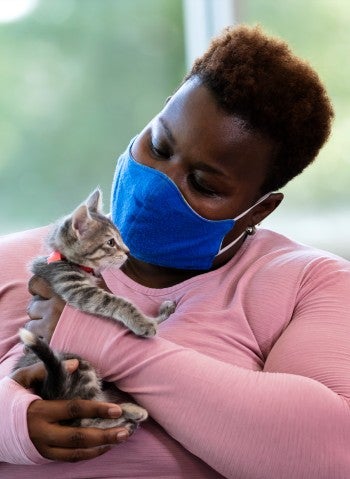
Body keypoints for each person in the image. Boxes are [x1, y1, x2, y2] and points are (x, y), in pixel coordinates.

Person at [0, 24, 348, 479]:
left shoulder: (309, 284)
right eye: (159, 145)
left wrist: (107, 340)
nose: (158, 182)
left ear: (256, 211)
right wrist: (12, 426)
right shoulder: (18, 260)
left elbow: (329, 454)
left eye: (203, 184)